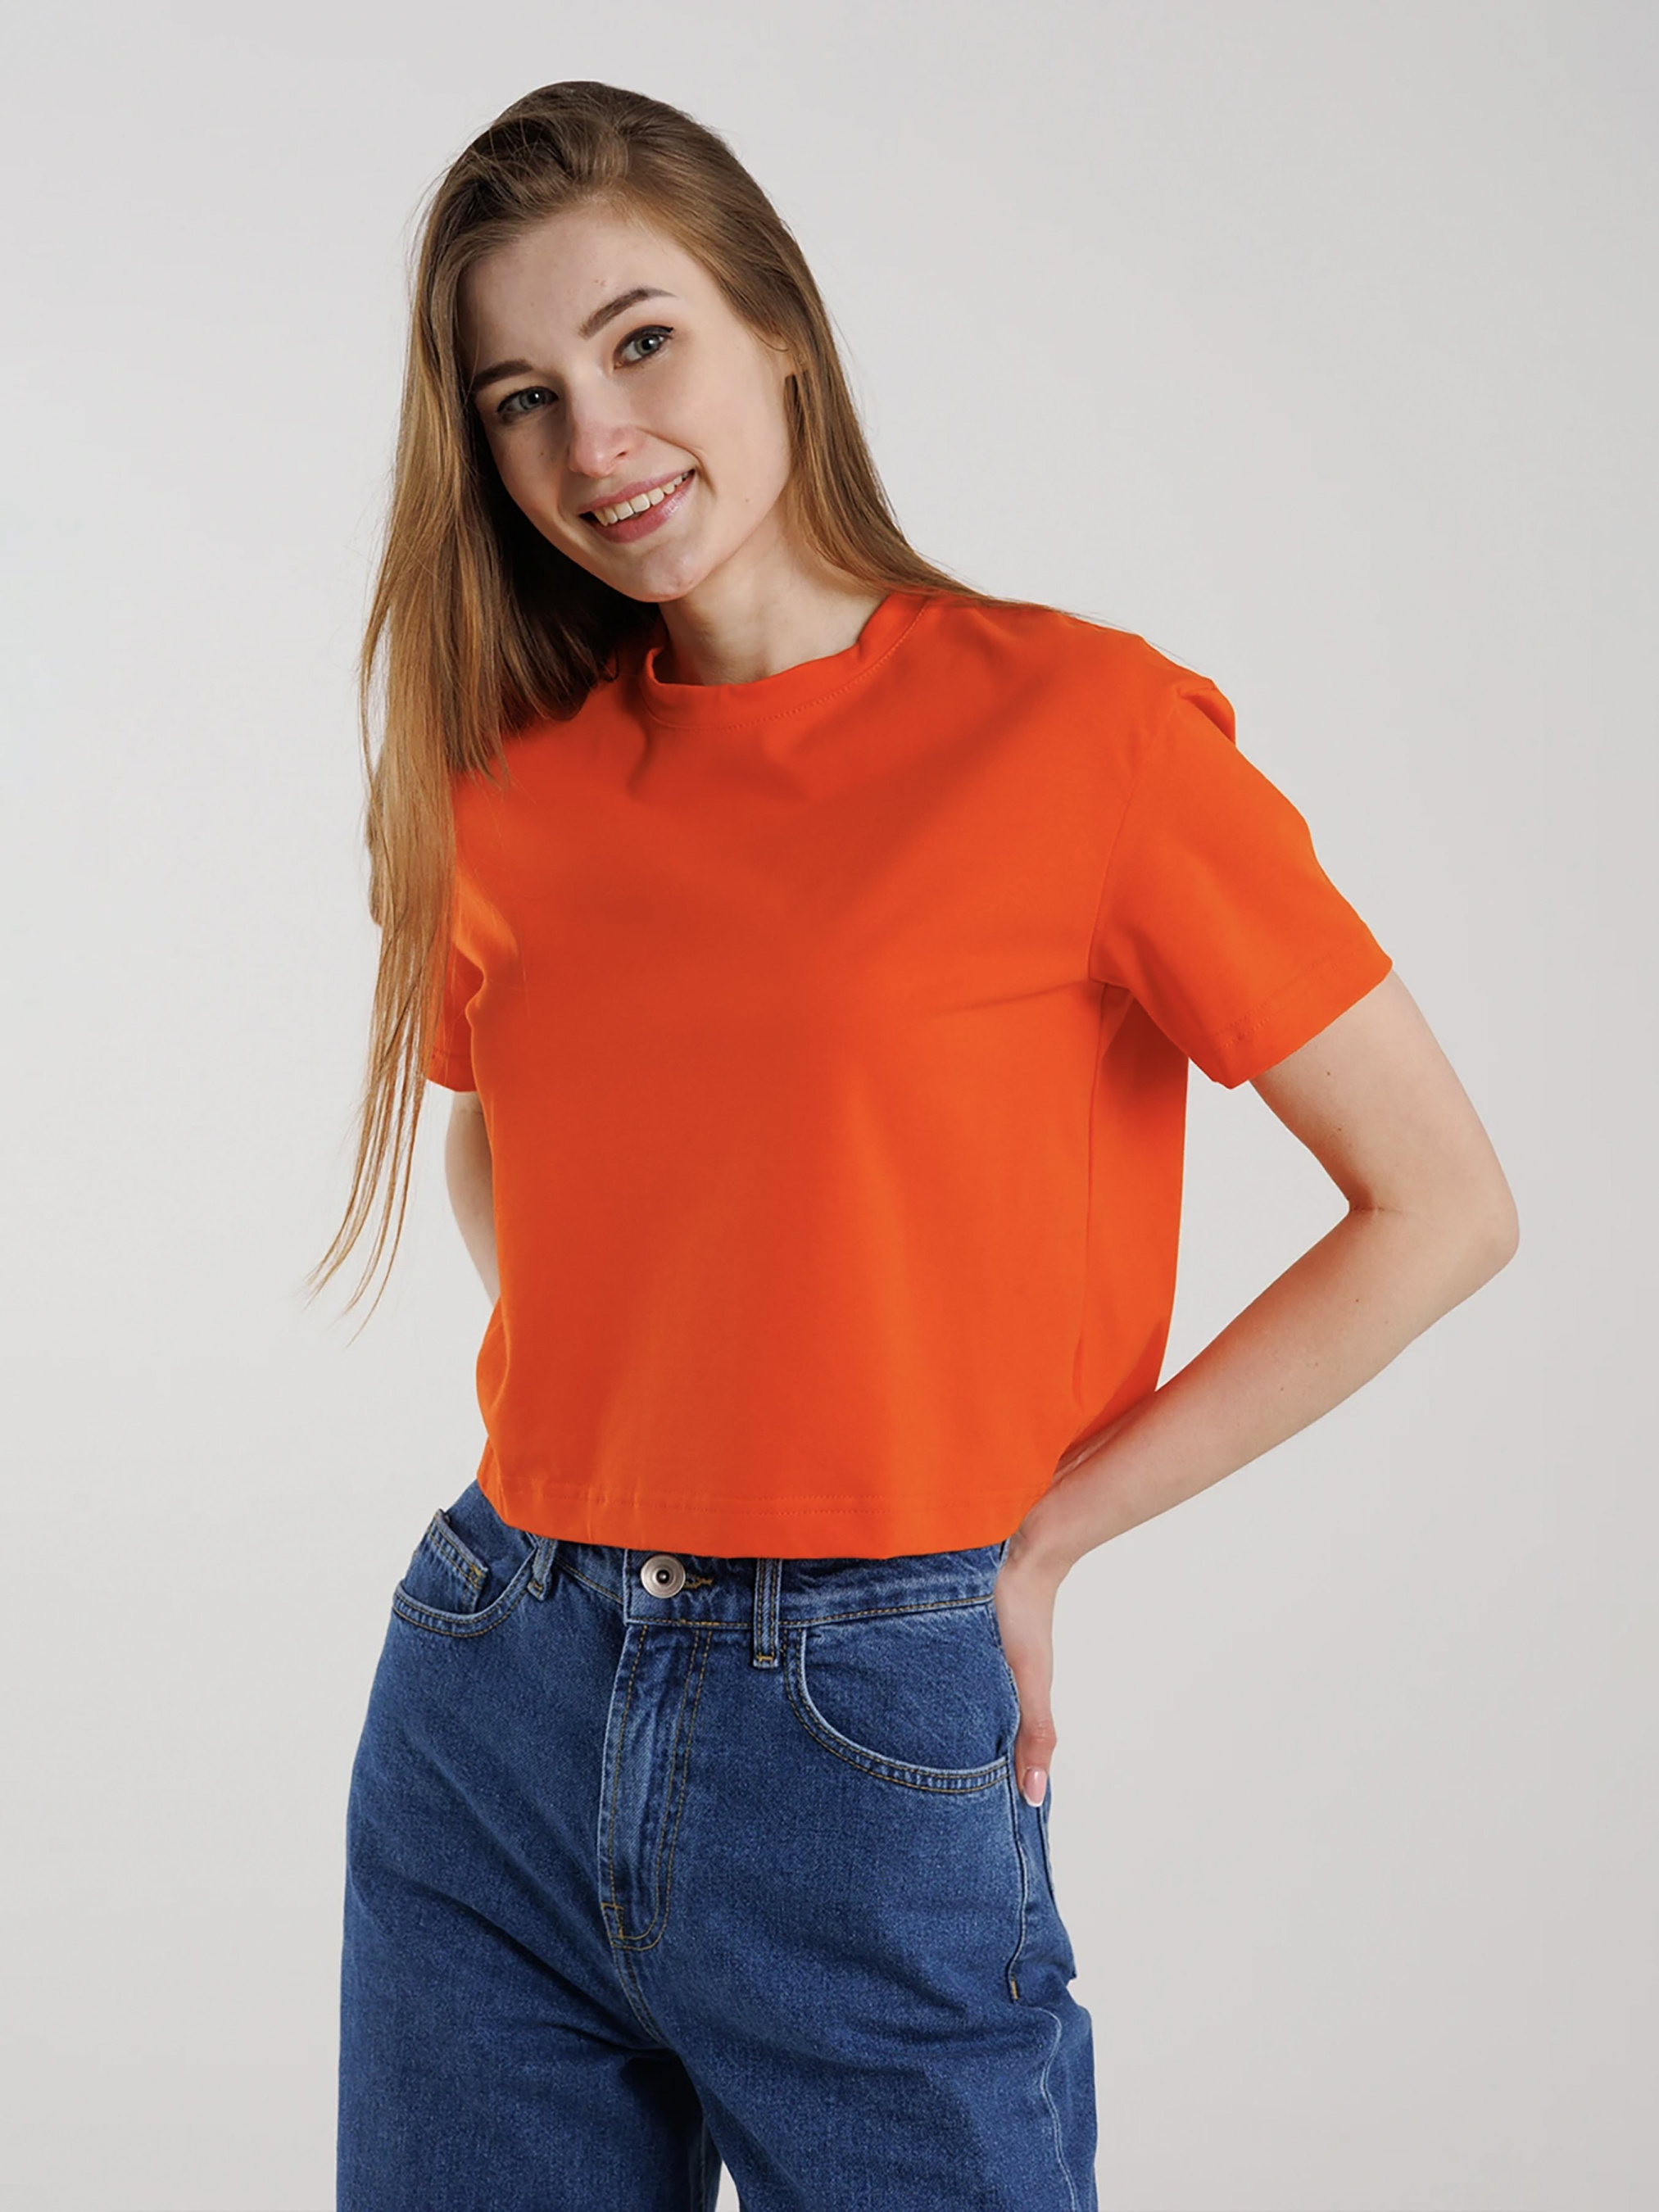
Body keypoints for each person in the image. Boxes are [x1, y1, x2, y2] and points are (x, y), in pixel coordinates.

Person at [310, 79, 1518, 2212]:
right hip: (497, 1686)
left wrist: (1041, 1540)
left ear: (780, 327)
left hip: (865, 1717)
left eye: (641, 340)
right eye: (520, 399)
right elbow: (517, 1157)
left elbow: (1439, 1204)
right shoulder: (509, 783)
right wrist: (661, 1394)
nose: (595, 438)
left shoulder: (1084, 733)